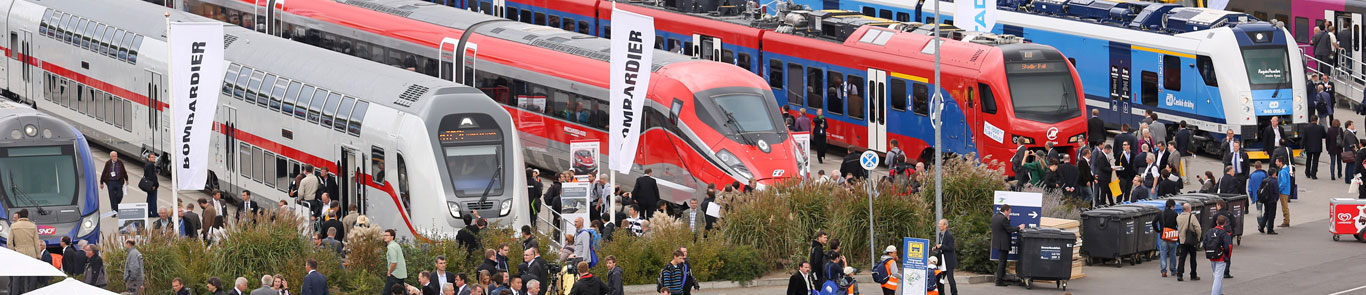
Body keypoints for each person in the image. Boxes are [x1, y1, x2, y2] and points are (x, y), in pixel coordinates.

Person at [991, 204, 1024, 286]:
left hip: (998, 242)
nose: (1009, 213)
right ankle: (999, 280)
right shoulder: (1003, 219)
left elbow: (1003, 228)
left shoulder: (995, 217)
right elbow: (1009, 229)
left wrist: (1007, 220)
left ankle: (1000, 279)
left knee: (1001, 261)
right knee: (1002, 262)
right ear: (1005, 211)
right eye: (1009, 212)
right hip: (1004, 243)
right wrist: (1019, 227)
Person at [1176, 203, 1202, 281]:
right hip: (1191, 240)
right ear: (1189, 209)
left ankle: (1179, 274)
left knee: (1182, 258)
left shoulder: (1178, 217)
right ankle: (1193, 274)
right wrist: (1198, 237)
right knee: (1193, 258)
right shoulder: (1192, 217)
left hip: (1182, 240)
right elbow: (1198, 228)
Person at [1208, 215, 1233, 295]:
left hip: (1211, 256)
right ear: (1225, 223)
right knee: (1218, 277)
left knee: (1216, 275)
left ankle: (1219, 292)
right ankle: (1215, 293)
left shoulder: (1210, 231)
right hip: (1221, 257)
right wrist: (1227, 256)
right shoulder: (1224, 234)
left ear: (1216, 222)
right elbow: (1228, 246)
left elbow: (1205, 243)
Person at [1212, 200, 1235, 279]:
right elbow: (1234, 224)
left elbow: (1212, 226)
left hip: (1217, 237)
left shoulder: (1216, 215)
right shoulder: (1230, 214)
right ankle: (1226, 272)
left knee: (1218, 252)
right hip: (1228, 236)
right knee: (1227, 253)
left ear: (1219, 206)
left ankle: (1217, 270)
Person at [935, 219, 958, 295]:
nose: (939, 225)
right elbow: (940, 244)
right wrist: (936, 247)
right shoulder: (940, 234)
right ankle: (941, 293)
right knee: (940, 278)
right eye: (939, 224)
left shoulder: (949, 235)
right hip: (942, 261)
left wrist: (941, 246)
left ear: (945, 226)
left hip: (949, 261)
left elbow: (951, 248)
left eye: (941, 224)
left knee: (950, 279)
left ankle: (954, 293)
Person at [1156, 200, 1178, 278]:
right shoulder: (1175, 214)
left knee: (1163, 253)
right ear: (1172, 206)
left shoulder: (1160, 213)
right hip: (1172, 235)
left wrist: (1158, 230)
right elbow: (1177, 223)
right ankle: (1173, 270)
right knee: (1172, 253)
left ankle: (1164, 271)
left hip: (1163, 235)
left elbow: (1153, 222)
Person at [1257, 161, 1281, 235]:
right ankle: (1270, 229)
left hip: (1265, 200)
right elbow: (1277, 192)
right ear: (1274, 173)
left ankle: (1261, 226)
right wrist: (1276, 199)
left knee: (1266, 213)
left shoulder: (1265, 180)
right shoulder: (1274, 181)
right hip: (1272, 200)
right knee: (1271, 215)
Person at [384, 229, 409, 295]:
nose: (385, 236)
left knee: (387, 293)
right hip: (401, 274)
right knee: (401, 292)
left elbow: (394, 262)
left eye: (387, 235)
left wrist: (389, 271)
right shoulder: (396, 245)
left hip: (394, 274)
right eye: (384, 235)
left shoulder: (391, 247)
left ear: (392, 237)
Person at [1304, 115, 1328, 179]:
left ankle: (1307, 172)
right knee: (1315, 160)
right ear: (1316, 120)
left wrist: (1302, 147)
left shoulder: (1306, 128)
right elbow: (1324, 135)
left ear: (1310, 120)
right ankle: (1313, 174)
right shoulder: (1321, 128)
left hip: (1308, 146)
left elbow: (1304, 138)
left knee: (1308, 159)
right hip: (1317, 146)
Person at [1276, 156, 1292, 228]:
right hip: (1286, 191)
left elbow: (1283, 182)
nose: (1276, 163)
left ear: (1280, 162)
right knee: (1285, 206)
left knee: (1284, 207)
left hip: (1283, 192)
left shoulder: (1282, 172)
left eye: (1277, 161)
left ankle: (1286, 221)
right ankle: (1286, 220)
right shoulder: (1286, 170)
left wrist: (1278, 189)